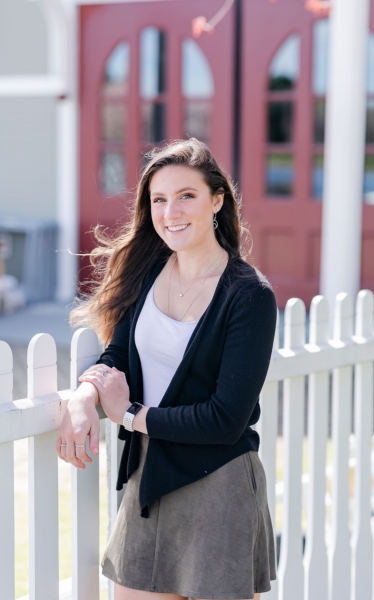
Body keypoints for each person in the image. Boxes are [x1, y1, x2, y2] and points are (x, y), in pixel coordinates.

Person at [56, 137, 277, 600]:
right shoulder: (146, 273)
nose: (170, 212)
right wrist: (84, 395)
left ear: (217, 201)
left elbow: (225, 419)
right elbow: (116, 358)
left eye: (186, 196)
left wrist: (130, 416)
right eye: (159, 199)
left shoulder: (249, 295)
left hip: (218, 485)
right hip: (148, 484)